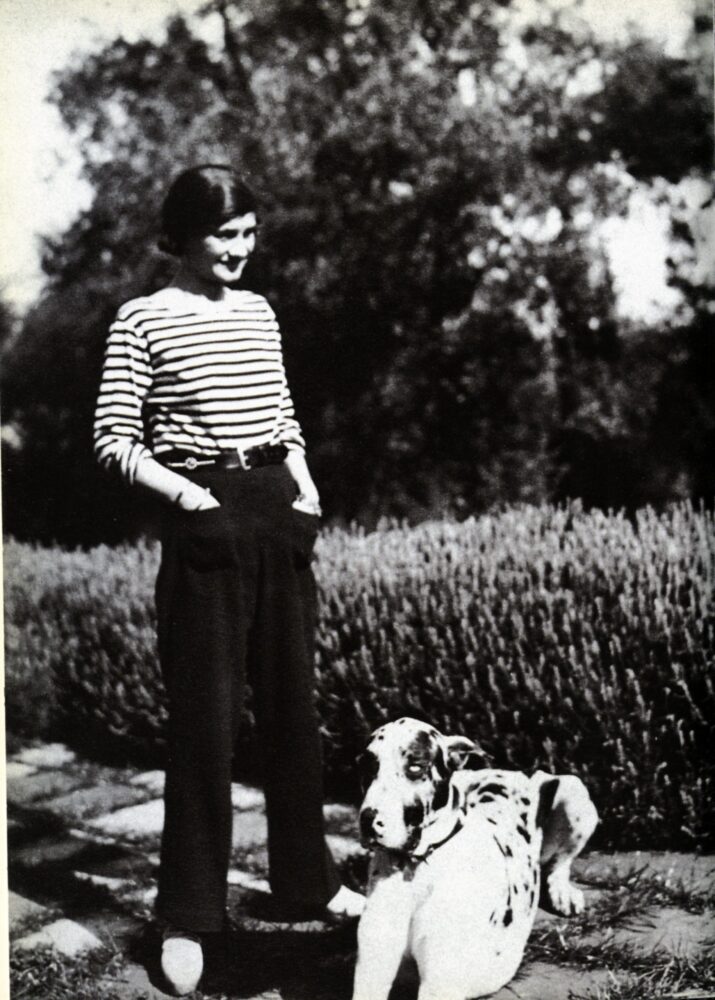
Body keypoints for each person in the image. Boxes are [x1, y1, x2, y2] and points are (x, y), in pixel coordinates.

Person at [94, 164, 364, 996]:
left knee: (292, 711)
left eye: (250, 234)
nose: (242, 250)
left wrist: (307, 487)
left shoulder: (258, 312)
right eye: (224, 235)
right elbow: (113, 439)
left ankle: (306, 886)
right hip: (203, 517)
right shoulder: (141, 320)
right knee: (204, 729)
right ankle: (187, 916)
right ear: (182, 235)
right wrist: (191, 497)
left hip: (275, 510)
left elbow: (282, 419)